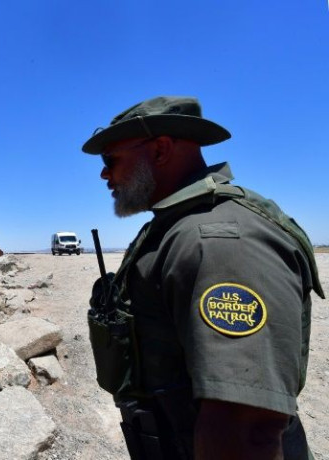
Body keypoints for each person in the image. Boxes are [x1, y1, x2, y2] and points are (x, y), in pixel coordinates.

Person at [82, 96, 324, 460]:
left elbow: (247, 427)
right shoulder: (175, 229)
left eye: (111, 159)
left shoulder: (219, 241)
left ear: (161, 149)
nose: (104, 174)